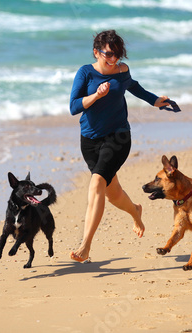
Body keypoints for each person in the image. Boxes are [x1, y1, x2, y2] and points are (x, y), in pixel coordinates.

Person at [69, 30, 170, 262]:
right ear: (96, 52)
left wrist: (155, 100)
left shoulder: (122, 71)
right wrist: (95, 95)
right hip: (90, 141)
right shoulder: (85, 73)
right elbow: (74, 107)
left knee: (96, 182)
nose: (114, 59)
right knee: (112, 192)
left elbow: (134, 87)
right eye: (109, 54)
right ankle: (135, 211)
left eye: (117, 54)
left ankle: (85, 246)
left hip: (119, 137)